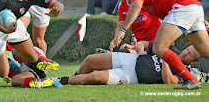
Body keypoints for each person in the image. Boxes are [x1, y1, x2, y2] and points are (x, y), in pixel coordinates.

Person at [110, 0, 209, 89]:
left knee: (159, 47)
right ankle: (191, 79)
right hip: (194, 6)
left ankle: (191, 79)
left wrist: (123, 30)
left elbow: (136, 6)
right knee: (206, 52)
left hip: (182, 7)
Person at [57, 42, 204, 86]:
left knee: (95, 77)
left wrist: (166, 58)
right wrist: (137, 46)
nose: (185, 53)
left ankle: (62, 81)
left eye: (189, 54)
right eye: (187, 50)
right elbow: (148, 45)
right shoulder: (171, 48)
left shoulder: (183, 71)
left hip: (132, 76)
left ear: (194, 61)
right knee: (90, 59)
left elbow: (170, 81)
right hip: (132, 60)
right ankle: (75, 78)